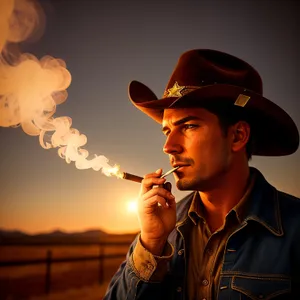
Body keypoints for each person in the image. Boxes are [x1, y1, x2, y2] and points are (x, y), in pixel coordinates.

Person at [103, 49, 300, 300]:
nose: (168, 146)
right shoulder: (161, 231)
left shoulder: (294, 229)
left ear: (238, 136)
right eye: (167, 131)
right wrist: (151, 243)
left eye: (188, 126)